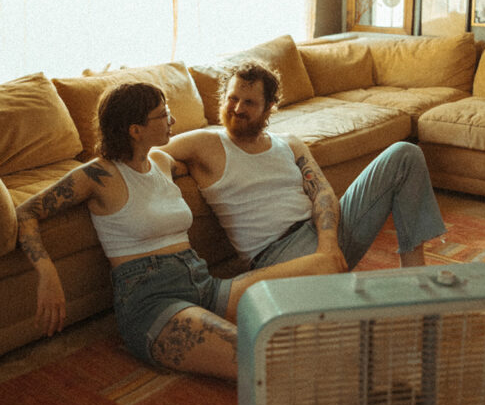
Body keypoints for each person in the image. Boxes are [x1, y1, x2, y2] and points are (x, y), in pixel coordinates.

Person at [16, 81, 342, 382]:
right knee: (265, 356)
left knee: (327, 263)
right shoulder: (96, 175)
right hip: (153, 303)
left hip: (204, 285)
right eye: (163, 115)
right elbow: (26, 212)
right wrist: (47, 273)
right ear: (135, 129)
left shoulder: (161, 161)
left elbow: (206, 161)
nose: (172, 120)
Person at [161, 60, 446, 274]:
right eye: (232, 99)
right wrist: (179, 166)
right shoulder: (205, 143)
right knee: (353, 310)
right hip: (277, 255)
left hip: (326, 233)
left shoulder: (290, 144)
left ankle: (414, 274)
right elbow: (150, 155)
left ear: (270, 106)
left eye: (249, 102)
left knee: (405, 154)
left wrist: (328, 244)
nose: (237, 109)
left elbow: (322, 192)